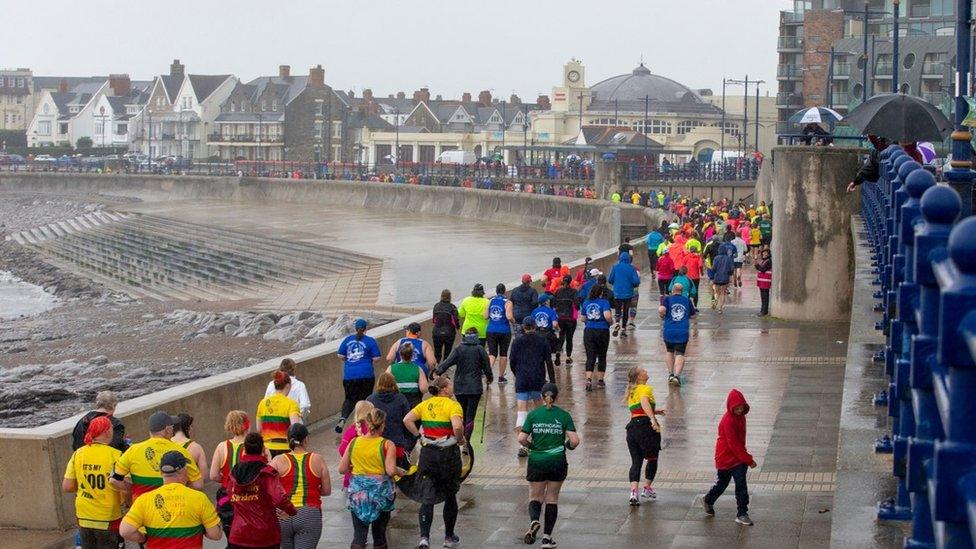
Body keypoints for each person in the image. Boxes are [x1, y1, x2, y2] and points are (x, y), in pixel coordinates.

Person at [403, 377, 466, 549]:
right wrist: (460, 440)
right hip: (448, 456)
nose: (452, 386)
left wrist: (419, 435)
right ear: (444, 389)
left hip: (428, 455)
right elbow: (458, 427)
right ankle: (448, 537)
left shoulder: (425, 405)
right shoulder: (453, 405)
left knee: (427, 496)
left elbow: (407, 419)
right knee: (450, 493)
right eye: (450, 384)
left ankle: (424, 538)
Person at [518, 383, 579, 549]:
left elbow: (521, 438)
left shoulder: (534, 415)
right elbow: (575, 441)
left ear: (542, 396)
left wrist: (531, 447)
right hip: (557, 461)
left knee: (535, 496)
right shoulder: (564, 415)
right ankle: (546, 538)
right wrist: (568, 446)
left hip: (537, 460)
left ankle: (534, 520)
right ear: (556, 396)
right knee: (552, 498)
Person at [119, 451, 222, 546]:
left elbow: (125, 531)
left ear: (161, 472)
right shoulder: (199, 498)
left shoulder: (144, 500)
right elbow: (216, 535)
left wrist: (144, 539)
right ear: (184, 471)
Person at [338, 408, 398, 549]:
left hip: (358, 494)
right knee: (379, 535)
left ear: (367, 423)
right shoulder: (387, 444)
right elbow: (390, 470)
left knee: (359, 535)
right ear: (382, 424)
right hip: (381, 495)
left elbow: (342, 469)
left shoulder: (354, 442)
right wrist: (399, 471)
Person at [111, 411, 203, 500]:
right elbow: (198, 485)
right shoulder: (180, 452)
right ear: (167, 430)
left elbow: (114, 480)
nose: (173, 428)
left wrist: (131, 490)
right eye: (172, 426)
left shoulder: (133, 450)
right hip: (172, 507)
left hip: (142, 510)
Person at [226, 433, 297, 548]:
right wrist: (292, 510)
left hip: (239, 534)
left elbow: (229, 494)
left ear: (244, 449)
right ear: (263, 449)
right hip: (265, 534)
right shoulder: (266, 472)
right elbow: (279, 498)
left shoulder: (234, 472)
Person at [63, 416, 124, 548]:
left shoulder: (78, 454)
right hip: (108, 516)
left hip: (84, 515)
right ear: (107, 432)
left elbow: (67, 486)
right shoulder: (116, 455)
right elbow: (123, 486)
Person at [701, 389, 756, 526]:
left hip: (738, 459)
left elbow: (739, 441)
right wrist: (748, 459)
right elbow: (733, 444)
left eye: (741, 407)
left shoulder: (741, 417)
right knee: (722, 484)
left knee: (741, 485)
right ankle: (708, 499)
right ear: (731, 407)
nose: (739, 410)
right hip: (725, 458)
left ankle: (742, 513)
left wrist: (744, 458)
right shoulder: (728, 420)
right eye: (736, 408)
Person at [272, 424, 331, 549]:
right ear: (306, 440)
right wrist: (311, 489)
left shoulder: (277, 460)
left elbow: (267, 487)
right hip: (309, 513)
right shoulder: (317, 459)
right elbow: (326, 490)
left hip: (284, 514)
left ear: (288, 441)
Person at [509, 316, 556, 456]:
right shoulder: (542, 340)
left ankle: (523, 445)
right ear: (535, 327)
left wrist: (517, 374)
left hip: (522, 379)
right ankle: (540, 441)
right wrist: (552, 382)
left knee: (521, 413)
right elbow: (548, 362)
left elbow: (512, 361)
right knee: (540, 411)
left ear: (523, 327)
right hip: (538, 380)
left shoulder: (517, 341)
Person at [435, 327, 492, 440]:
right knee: (471, 416)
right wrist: (489, 378)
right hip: (475, 388)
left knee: (461, 413)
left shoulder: (458, 349)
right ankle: (467, 440)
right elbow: (487, 368)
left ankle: (460, 438)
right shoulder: (480, 349)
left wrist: (437, 371)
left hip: (460, 387)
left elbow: (447, 362)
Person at [623, 367, 663, 506]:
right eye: (643, 371)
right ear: (639, 377)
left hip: (632, 428)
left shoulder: (632, 391)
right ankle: (647, 488)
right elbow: (644, 402)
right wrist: (653, 419)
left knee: (636, 461)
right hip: (645, 428)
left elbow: (637, 409)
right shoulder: (645, 389)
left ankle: (633, 492)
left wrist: (655, 411)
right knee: (653, 458)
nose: (646, 371)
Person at [337, 318, 382, 433]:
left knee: (349, 399)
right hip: (366, 375)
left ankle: (343, 419)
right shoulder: (370, 341)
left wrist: (349, 359)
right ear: (366, 329)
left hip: (349, 376)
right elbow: (376, 358)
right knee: (365, 400)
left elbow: (340, 355)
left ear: (355, 328)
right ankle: (364, 426)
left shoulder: (347, 340)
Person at [210, 410, 250, 540]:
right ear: (247, 425)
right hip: (248, 496)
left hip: (227, 497)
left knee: (232, 535)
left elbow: (213, 475)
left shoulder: (222, 447)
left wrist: (226, 479)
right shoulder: (255, 446)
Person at [367, 372, 414, 464]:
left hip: (376, 445)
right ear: (393, 383)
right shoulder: (401, 398)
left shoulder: (370, 399)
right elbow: (407, 421)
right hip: (397, 443)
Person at [257, 371, 303, 456]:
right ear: (288, 386)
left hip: (267, 449)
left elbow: (259, 429)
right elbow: (295, 429)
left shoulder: (262, 403)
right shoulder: (292, 404)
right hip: (285, 449)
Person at [660, 283, 697, 386]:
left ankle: (670, 374)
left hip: (669, 331)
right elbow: (693, 315)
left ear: (672, 290)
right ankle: (677, 376)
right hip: (682, 331)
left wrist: (662, 314)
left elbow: (661, 310)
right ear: (682, 291)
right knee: (680, 353)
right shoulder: (687, 300)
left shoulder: (667, 299)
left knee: (669, 351)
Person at [580, 283, 613, 392]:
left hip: (589, 330)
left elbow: (583, 319)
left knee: (590, 356)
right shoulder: (604, 302)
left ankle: (588, 379)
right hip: (602, 330)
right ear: (601, 293)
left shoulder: (586, 302)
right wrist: (611, 322)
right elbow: (607, 316)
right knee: (602, 355)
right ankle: (600, 381)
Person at [339, 400, 376, 491]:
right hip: (372, 477)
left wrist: (350, 462)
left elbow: (342, 450)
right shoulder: (374, 431)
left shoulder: (351, 430)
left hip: (352, 478)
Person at [484, 283, 514, 383]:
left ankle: (487, 371)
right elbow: (509, 317)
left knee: (492, 354)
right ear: (504, 291)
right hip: (504, 331)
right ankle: (501, 377)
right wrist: (513, 321)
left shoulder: (490, 301)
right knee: (503, 354)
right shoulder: (508, 302)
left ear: (496, 291)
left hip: (491, 330)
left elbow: (485, 316)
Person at [387, 343, 428, 409]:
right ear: (412, 355)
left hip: (396, 400)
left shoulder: (391, 368)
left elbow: (385, 385)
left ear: (400, 354)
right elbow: (424, 389)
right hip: (413, 402)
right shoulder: (418, 369)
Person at [608, 252, 640, 337]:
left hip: (617, 293)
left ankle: (617, 323)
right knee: (626, 311)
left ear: (620, 259)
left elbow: (610, 279)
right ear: (629, 259)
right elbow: (636, 281)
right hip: (628, 293)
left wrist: (616, 284)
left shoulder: (615, 267)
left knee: (618, 309)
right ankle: (623, 329)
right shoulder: (632, 268)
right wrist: (632, 285)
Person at [551, 275, 578, 366]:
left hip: (560, 318)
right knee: (569, 338)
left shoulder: (558, 291)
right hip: (570, 318)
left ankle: (558, 351)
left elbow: (552, 302)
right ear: (570, 282)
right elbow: (577, 305)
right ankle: (568, 357)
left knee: (561, 335)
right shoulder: (574, 291)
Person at [172, 413, 208, 480]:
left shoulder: (166, 444)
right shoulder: (196, 447)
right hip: (190, 488)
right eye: (191, 426)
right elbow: (204, 476)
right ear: (188, 428)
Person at [432, 289, 460, 363]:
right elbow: (455, 321)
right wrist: (458, 327)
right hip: (449, 333)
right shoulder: (452, 307)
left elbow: (434, 320)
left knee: (437, 353)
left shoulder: (436, 306)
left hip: (437, 332)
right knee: (447, 353)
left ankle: (436, 369)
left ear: (441, 296)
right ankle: (444, 370)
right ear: (450, 297)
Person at [711, 247, 734, 313]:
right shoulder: (728, 258)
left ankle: (715, 301)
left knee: (716, 292)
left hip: (717, 277)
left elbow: (713, 268)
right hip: (725, 277)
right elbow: (732, 269)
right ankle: (720, 308)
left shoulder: (716, 258)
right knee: (723, 293)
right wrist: (729, 274)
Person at [755, 249, 772, 317]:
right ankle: (762, 310)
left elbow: (763, 269)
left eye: (766, 253)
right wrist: (757, 265)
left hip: (765, 281)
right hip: (762, 281)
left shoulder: (768, 261)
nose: (764, 254)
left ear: (768, 254)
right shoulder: (763, 261)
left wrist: (757, 266)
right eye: (763, 253)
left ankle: (764, 311)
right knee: (763, 296)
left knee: (765, 296)